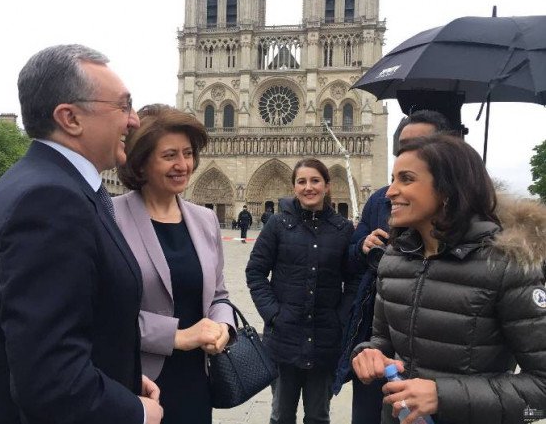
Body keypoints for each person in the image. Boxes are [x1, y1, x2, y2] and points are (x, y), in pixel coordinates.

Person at [0, 44, 162, 424]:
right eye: (123, 106)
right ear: (70, 118)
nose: (134, 120)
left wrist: (120, 378)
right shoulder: (50, 201)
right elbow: (50, 380)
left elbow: (64, 331)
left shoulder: (44, 183)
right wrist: (134, 412)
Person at [352, 135, 546, 424]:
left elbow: (541, 395)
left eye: (406, 179)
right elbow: (382, 340)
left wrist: (442, 396)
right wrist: (369, 354)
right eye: (393, 179)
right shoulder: (393, 260)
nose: (389, 192)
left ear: (448, 189)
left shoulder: (507, 265)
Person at [113, 104, 235, 424]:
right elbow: (102, 311)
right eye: (170, 155)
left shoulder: (205, 219)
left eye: (188, 153)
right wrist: (177, 336)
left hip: (196, 380)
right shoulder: (110, 218)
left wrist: (223, 327)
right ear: (141, 163)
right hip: (136, 380)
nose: (183, 165)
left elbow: (219, 295)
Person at [334, 110, 452, 424]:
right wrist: (363, 247)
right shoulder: (380, 202)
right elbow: (348, 263)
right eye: (403, 148)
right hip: (382, 352)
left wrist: (445, 394)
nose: (410, 154)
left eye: (422, 145)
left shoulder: (493, 256)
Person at [246, 158, 355, 424]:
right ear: (294, 187)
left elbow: (354, 282)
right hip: (283, 339)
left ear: (327, 186)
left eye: (315, 181)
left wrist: (339, 319)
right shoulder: (277, 224)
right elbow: (255, 272)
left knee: (318, 416)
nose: (308, 187)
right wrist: (274, 314)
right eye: (301, 181)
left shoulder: (343, 229)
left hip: (324, 341)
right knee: (281, 415)